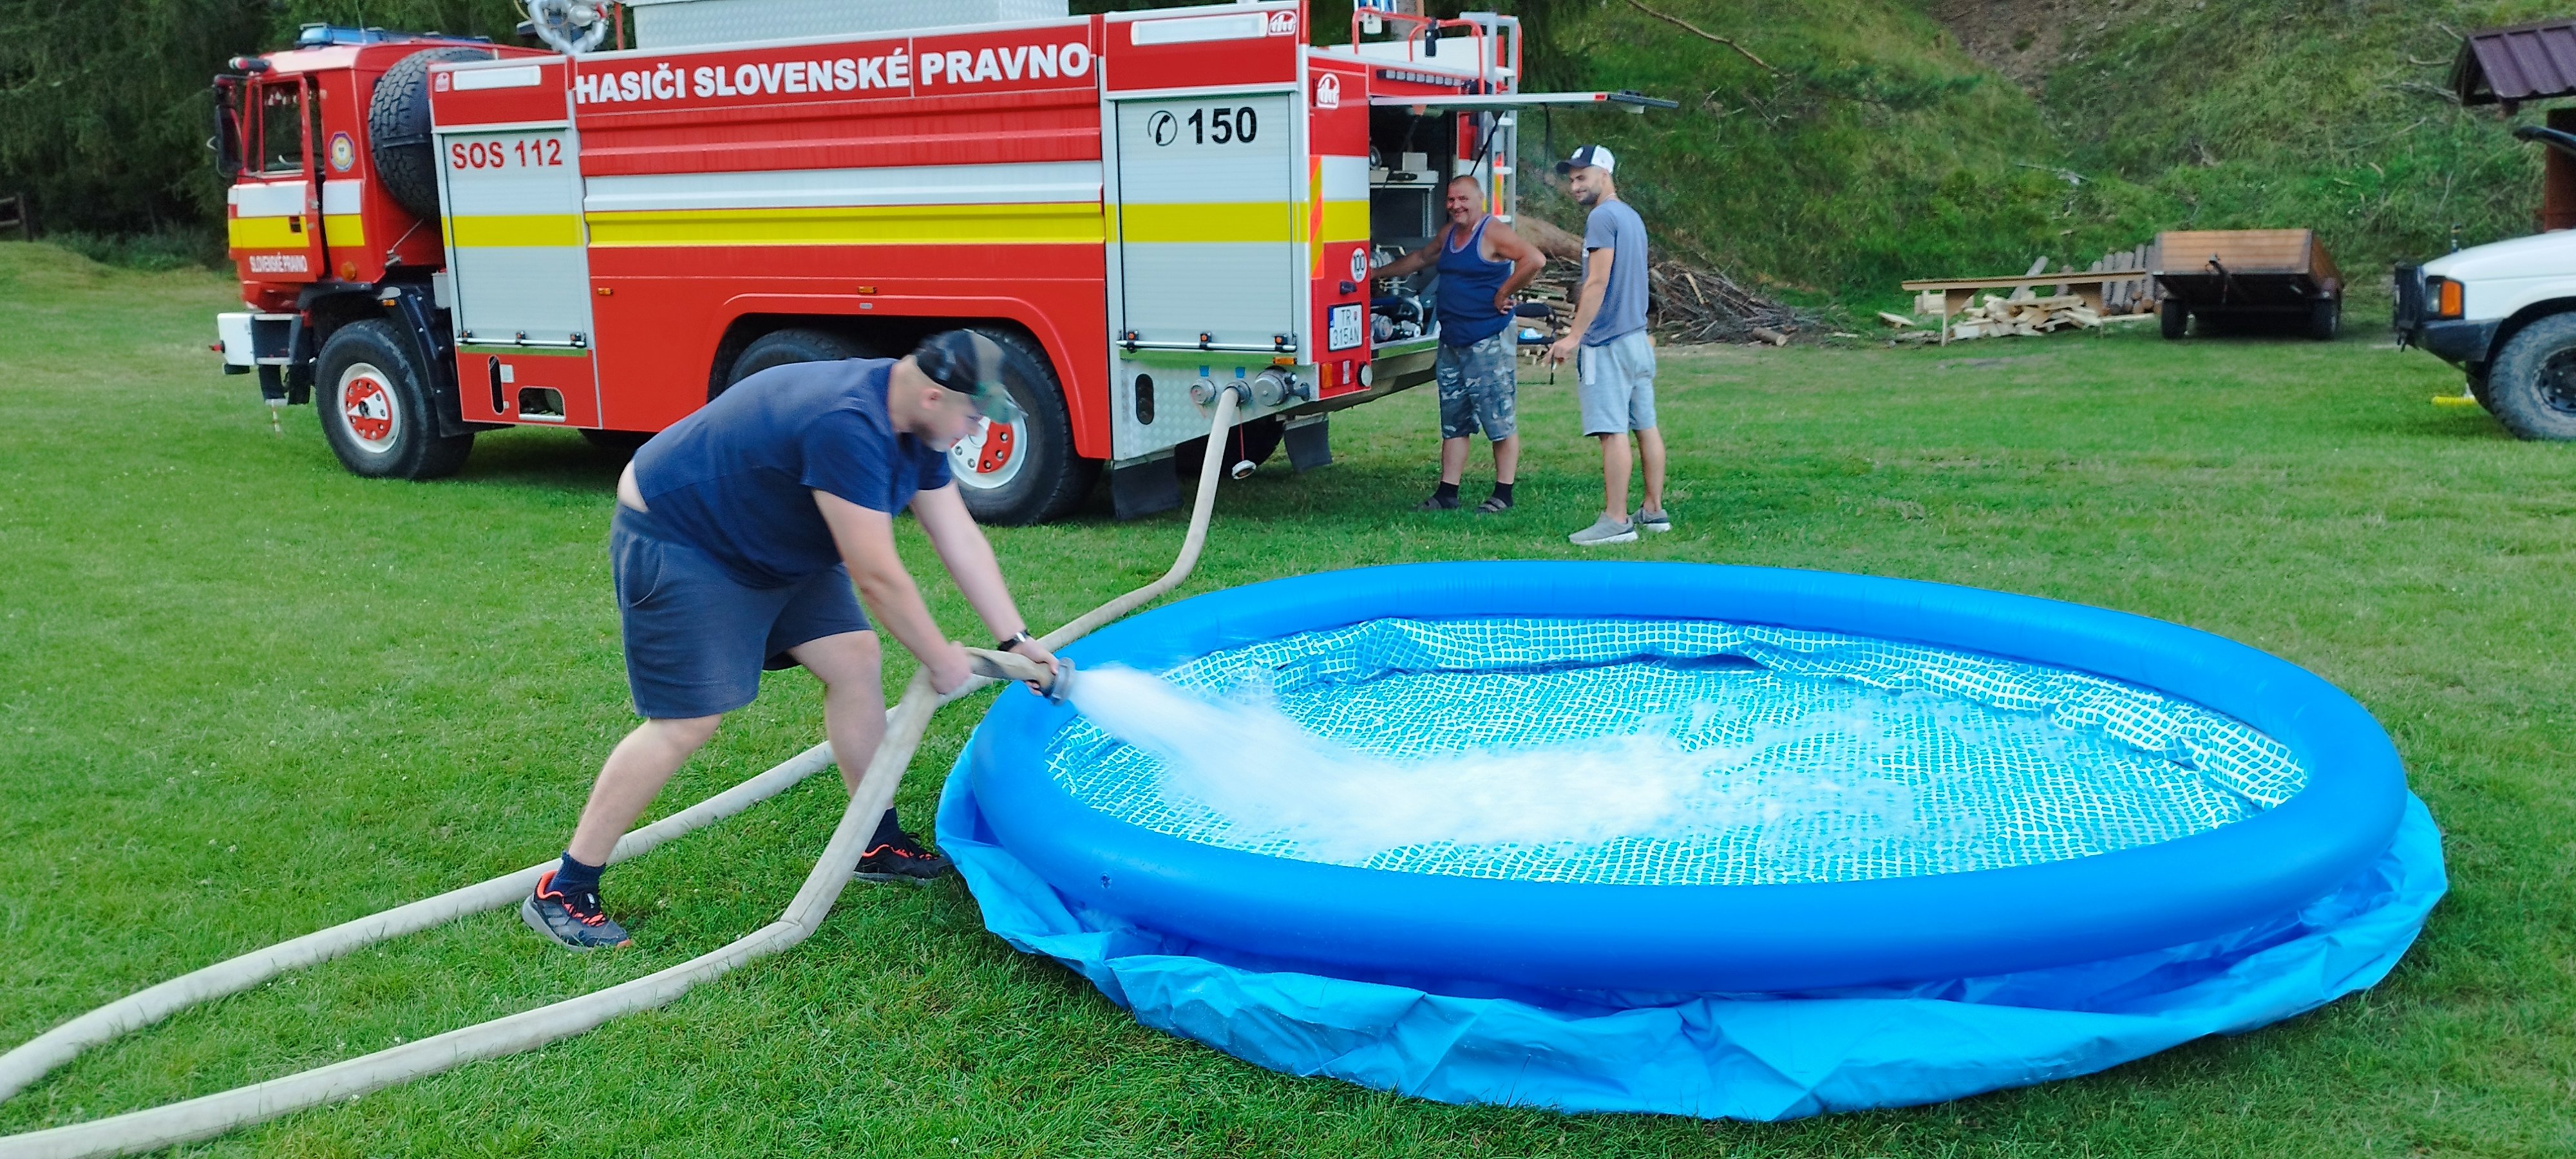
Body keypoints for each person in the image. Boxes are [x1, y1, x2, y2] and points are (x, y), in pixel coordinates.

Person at [522, 330, 1061, 951]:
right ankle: (565, 889)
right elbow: (877, 575)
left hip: (774, 535)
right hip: (685, 534)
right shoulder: (848, 424)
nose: (978, 430)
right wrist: (937, 656)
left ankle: (873, 838)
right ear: (935, 396)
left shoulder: (919, 425)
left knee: (854, 657)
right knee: (687, 722)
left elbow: (958, 536)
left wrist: (1016, 639)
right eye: (974, 414)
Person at [1372, 175, 1546, 513]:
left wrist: (1504, 292)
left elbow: (1534, 260)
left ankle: (1503, 494)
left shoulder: (1492, 232)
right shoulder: (1450, 233)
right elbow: (1421, 258)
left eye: (1463, 199)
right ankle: (1447, 493)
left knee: (1498, 418)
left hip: (1487, 338)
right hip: (1452, 339)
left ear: (1480, 199)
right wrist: (1377, 274)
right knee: (1454, 422)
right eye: (1451, 200)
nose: (1456, 206)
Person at [1546, 144, 1669, 546]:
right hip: (1637, 338)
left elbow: (1597, 281)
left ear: (1604, 174)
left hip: (1607, 342)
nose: (1575, 186)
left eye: (1582, 177)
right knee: (1645, 426)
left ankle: (1617, 520)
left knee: (1612, 432)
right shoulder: (1631, 216)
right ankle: (1653, 511)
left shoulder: (1601, 217)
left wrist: (1573, 337)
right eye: (1571, 180)